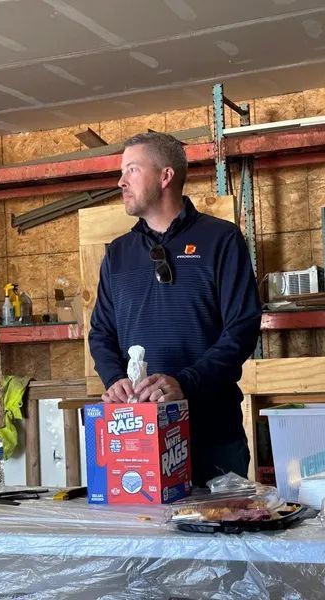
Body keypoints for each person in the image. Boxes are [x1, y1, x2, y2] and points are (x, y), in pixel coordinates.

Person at [88, 131, 262, 486]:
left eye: (132, 170)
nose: (121, 181)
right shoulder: (118, 254)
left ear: (165, 176)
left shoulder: (222, 240)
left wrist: (184, 383)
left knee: (219, 534)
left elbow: (241, 329)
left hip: (212, 436)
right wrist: (116, 381)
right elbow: (101, 333)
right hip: (137, 436)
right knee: (142, 535)